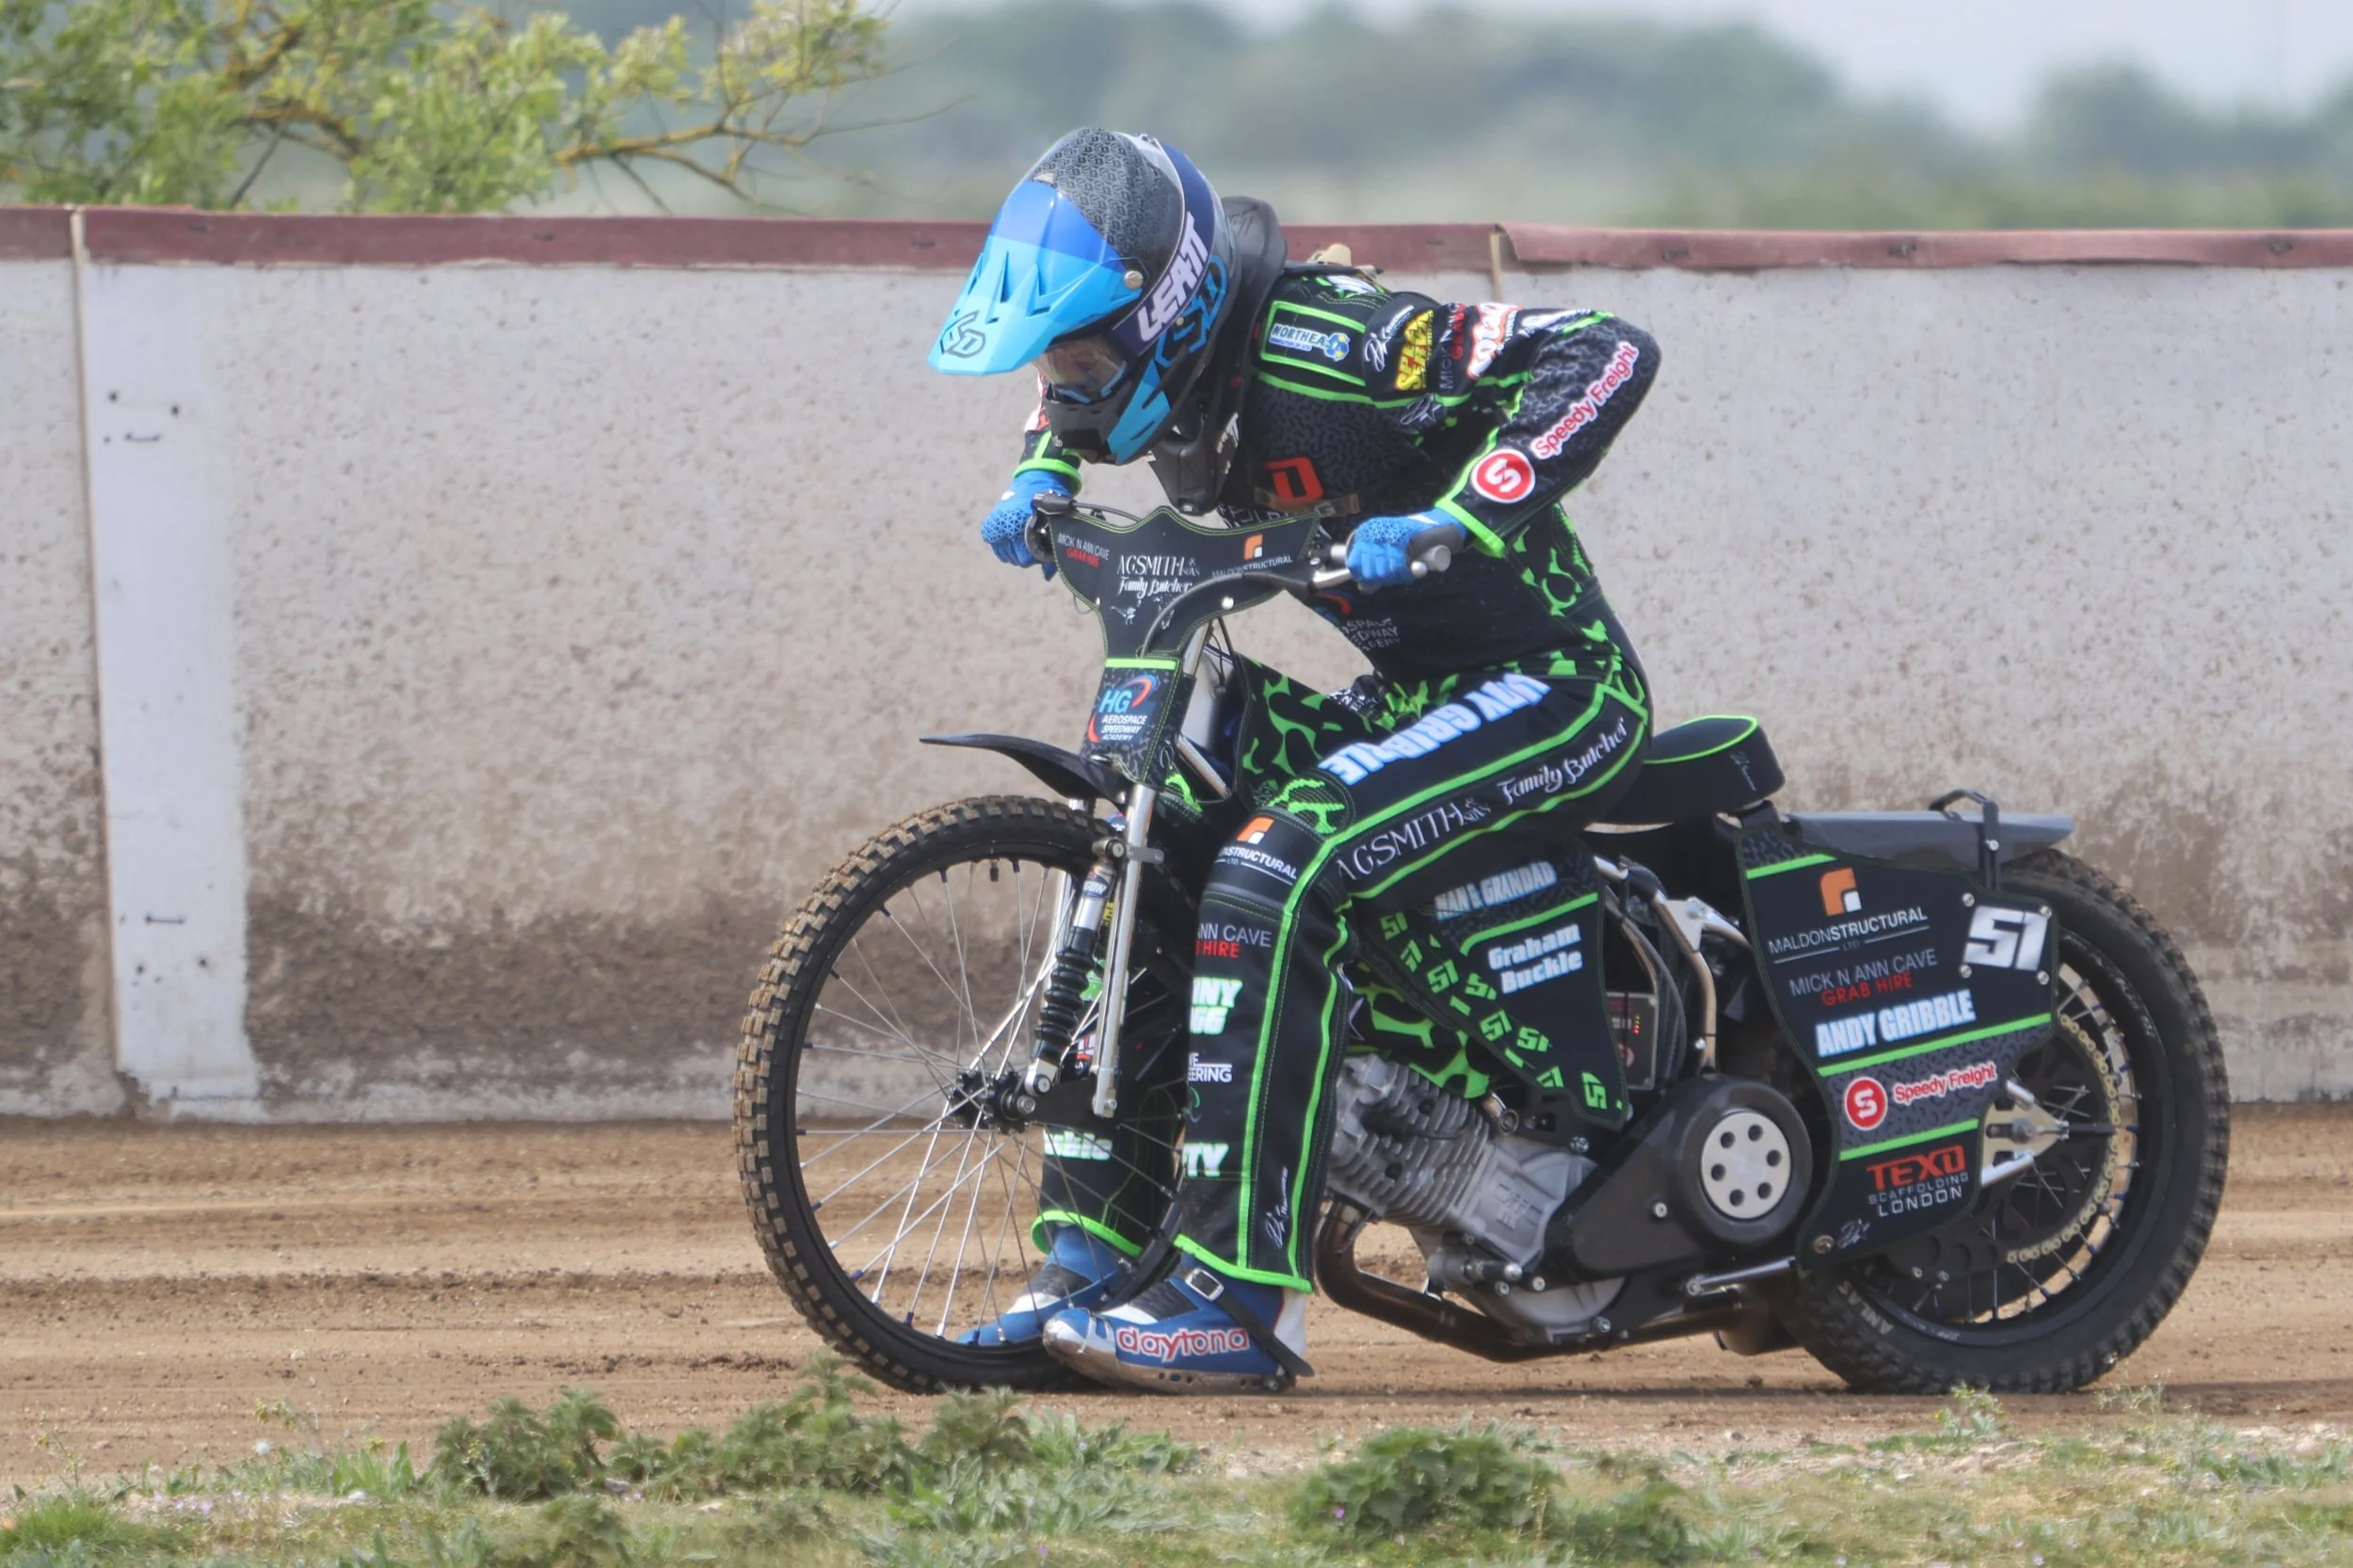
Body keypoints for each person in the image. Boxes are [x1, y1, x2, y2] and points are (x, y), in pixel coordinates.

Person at [930, 128, 1656, 1392]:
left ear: (1171, 310)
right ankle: (1090, 1257)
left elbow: (1603, 351)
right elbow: (1064, 401)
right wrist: (1039, 476)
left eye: (1093, 357)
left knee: (1276, 865)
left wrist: (1462, 512)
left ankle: (1237, 1300)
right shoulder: (1157, 380)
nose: (1071, 387)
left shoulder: (1341, 345)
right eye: (1065, 365)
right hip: (1415, 696)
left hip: (1550, 692)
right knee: (1153, 813)